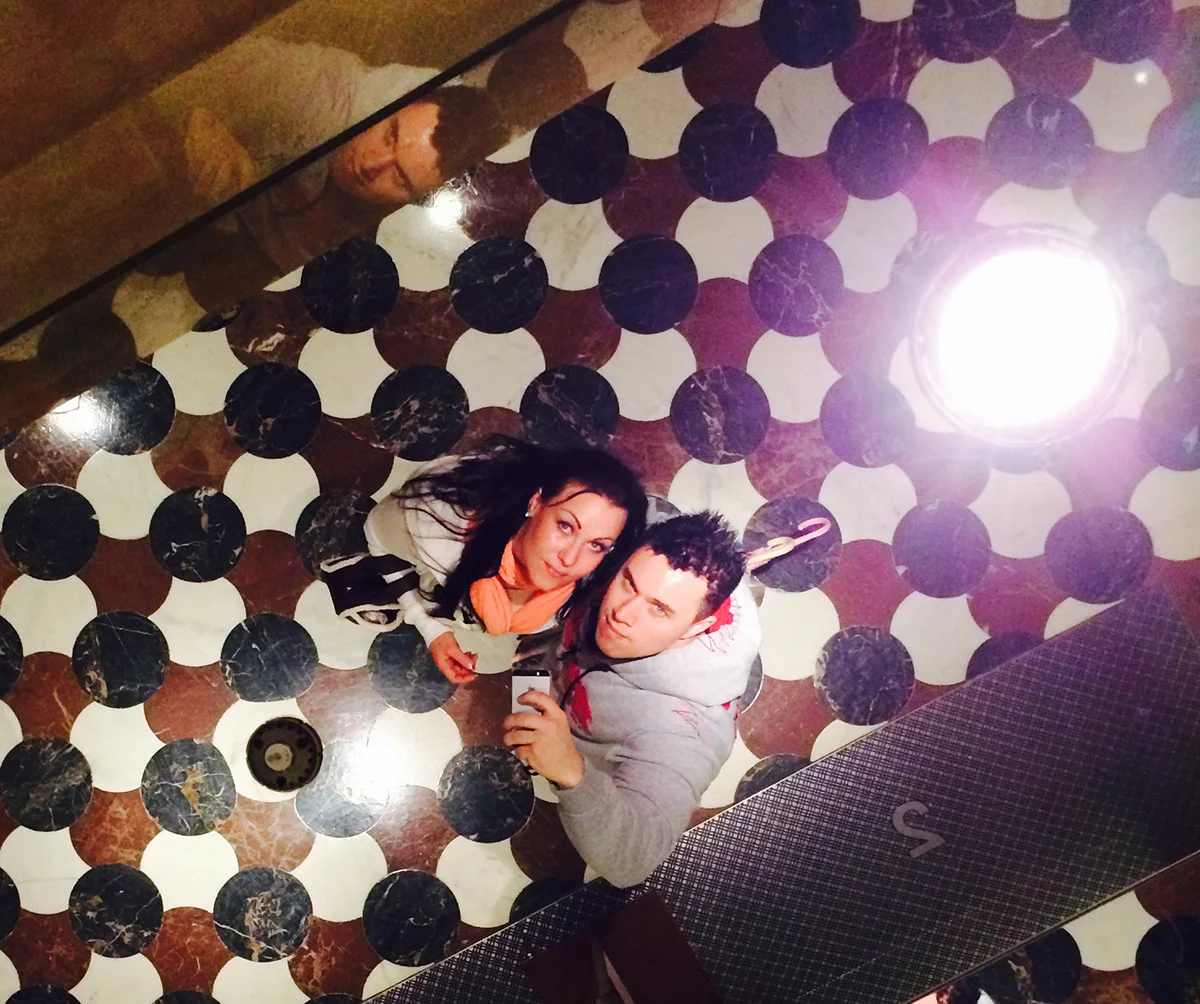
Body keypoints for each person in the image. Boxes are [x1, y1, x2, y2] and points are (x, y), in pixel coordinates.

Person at [503, 511, 761, 888]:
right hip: (565, 674)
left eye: (658, 609)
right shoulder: (662, 555)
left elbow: (632, 862)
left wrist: (571, 772)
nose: (621, 614)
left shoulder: (684, 733)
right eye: (628, 582)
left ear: (697, 628)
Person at [321, 438, 647, 684]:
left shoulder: (590, 581)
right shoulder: (440, 533)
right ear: (535, 502)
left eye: (596, 545)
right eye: (565, 526)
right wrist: (429, 626)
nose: (570, 559)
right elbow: (375, 533)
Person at [168, 35, 508, 268]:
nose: (370, 164)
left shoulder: (406, 245)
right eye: (390, 135)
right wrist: (202, 120)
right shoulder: (319, 95)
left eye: (400, 178)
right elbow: (198, 70)